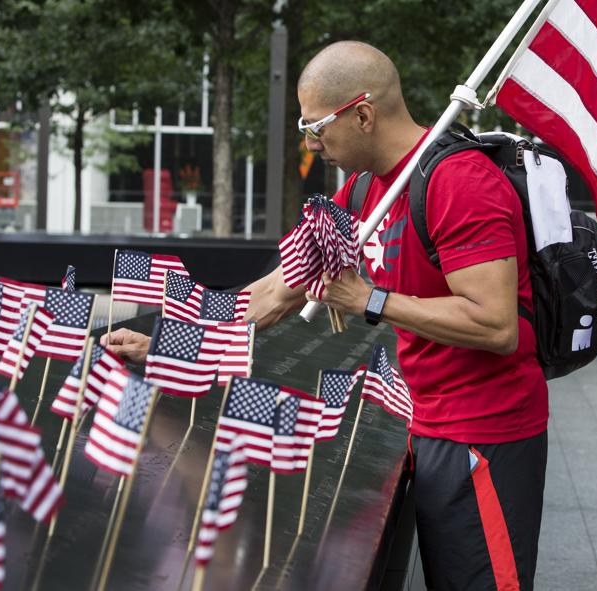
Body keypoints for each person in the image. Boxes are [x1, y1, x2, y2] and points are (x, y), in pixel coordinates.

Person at [104, 41, 548, 591]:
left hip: (485, 435)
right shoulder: (365, 189)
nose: (312, 143)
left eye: (315, 127)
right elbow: (274, 293)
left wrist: (369, 299)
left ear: (362, 114)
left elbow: (496, 325)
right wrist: (170, 345)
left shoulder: (461, 183)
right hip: (428, 425)